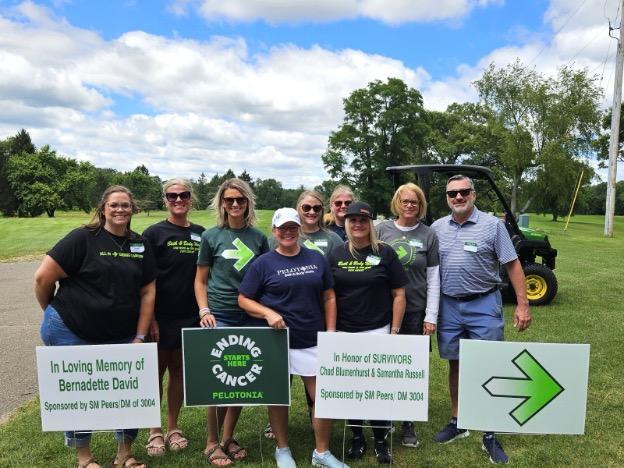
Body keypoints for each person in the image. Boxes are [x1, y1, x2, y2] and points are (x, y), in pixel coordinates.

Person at [34, 185, 156, 468]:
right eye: (114, 205)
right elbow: (43, 278)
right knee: (80, 395)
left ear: (133, 209)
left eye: (125, 205)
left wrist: (140, 335)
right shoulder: (82, 238)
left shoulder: (140, 244)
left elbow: (148, 291)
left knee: (129, 393)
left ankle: (125, 454)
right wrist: (52, 310)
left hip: (122, 333)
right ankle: (84, 458)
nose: (120, 210)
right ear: (103, 209)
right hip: (71, 328)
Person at [430, 175, 532, 465]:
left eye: (464, 192)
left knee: (490, 365)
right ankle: (458, 420)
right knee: (456, 363)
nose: (458, 197)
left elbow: (512, 265)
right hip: (449, 305)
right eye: (452, 194)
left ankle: (489, 431)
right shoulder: (437, 227)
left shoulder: (492, 225)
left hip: (484, 302)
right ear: (447, 198)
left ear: (473, 194)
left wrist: (523, 305)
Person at [238, 208, 347, 468]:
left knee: (322, 398)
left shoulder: (316, 258)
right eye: (282, 228)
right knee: (278, 397)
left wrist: (330, 331)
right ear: (274, 231)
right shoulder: (263, 263)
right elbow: (243, 298)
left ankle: (321, 453)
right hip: (277, 341)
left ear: (299, 230)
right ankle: (282, 449)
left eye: (292, 227)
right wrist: (267, 313)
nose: (287, 232)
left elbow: (329, 296)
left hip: (312, 338)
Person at [194, 178, 269, 466]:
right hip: (220, 315)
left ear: (248, 202)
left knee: (240, 379)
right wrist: (204, 310)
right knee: (217, 381)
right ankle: (212, 441)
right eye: (229, 200)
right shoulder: (210, 236)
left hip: (250, 317)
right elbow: (200, 280)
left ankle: (228, 437)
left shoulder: (259, 238)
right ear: (222, 203)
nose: (235, 204)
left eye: (240, 199)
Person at [327, 201, 408, 465]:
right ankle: (357, 437)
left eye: (363, 220)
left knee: (377, 389)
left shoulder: (384, 253)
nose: (358, 225)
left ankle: (381, 440)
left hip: (378, 329)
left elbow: (399, 294)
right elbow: (329, 296)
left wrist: (394, 331)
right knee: (352, 390)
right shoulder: (336, 253)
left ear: (370, 223)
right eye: (352, 220)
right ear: (346, 223)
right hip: (345, 330)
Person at [265, 190, 343, 438]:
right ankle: (278, 429)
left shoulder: (331, 240)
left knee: (315, 380)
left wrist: (331, 328)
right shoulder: (271, 245)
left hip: (315, 319)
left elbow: (332, 288)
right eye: (306, 207)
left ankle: (317, 424)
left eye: (316, 208)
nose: (311, 212)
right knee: (280, 380)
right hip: (282, 325)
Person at [142, 178, 205, 457]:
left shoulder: (202, 234)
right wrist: (151, 318)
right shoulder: (154, 233)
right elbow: (146, 280)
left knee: (179, 371)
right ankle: (154, 430)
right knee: (155, 372)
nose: (178, 199)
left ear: (191, 199)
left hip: (189, 315)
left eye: (184, 195)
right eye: (172, 195)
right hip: (160, 314)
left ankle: (173, 426)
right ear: (165, 199)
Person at [375, 183, 440, 448]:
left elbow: (434, 277)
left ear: (420, 205)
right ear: (397, 203)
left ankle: (408, 423)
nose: (410, 206)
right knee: (384, 366)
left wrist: (431, 315)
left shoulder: (429, 234)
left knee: (411, 369)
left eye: (415, 202)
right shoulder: (380, 230)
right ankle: (385, 417)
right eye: (405, 201)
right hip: (381, 312)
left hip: (415, 311)